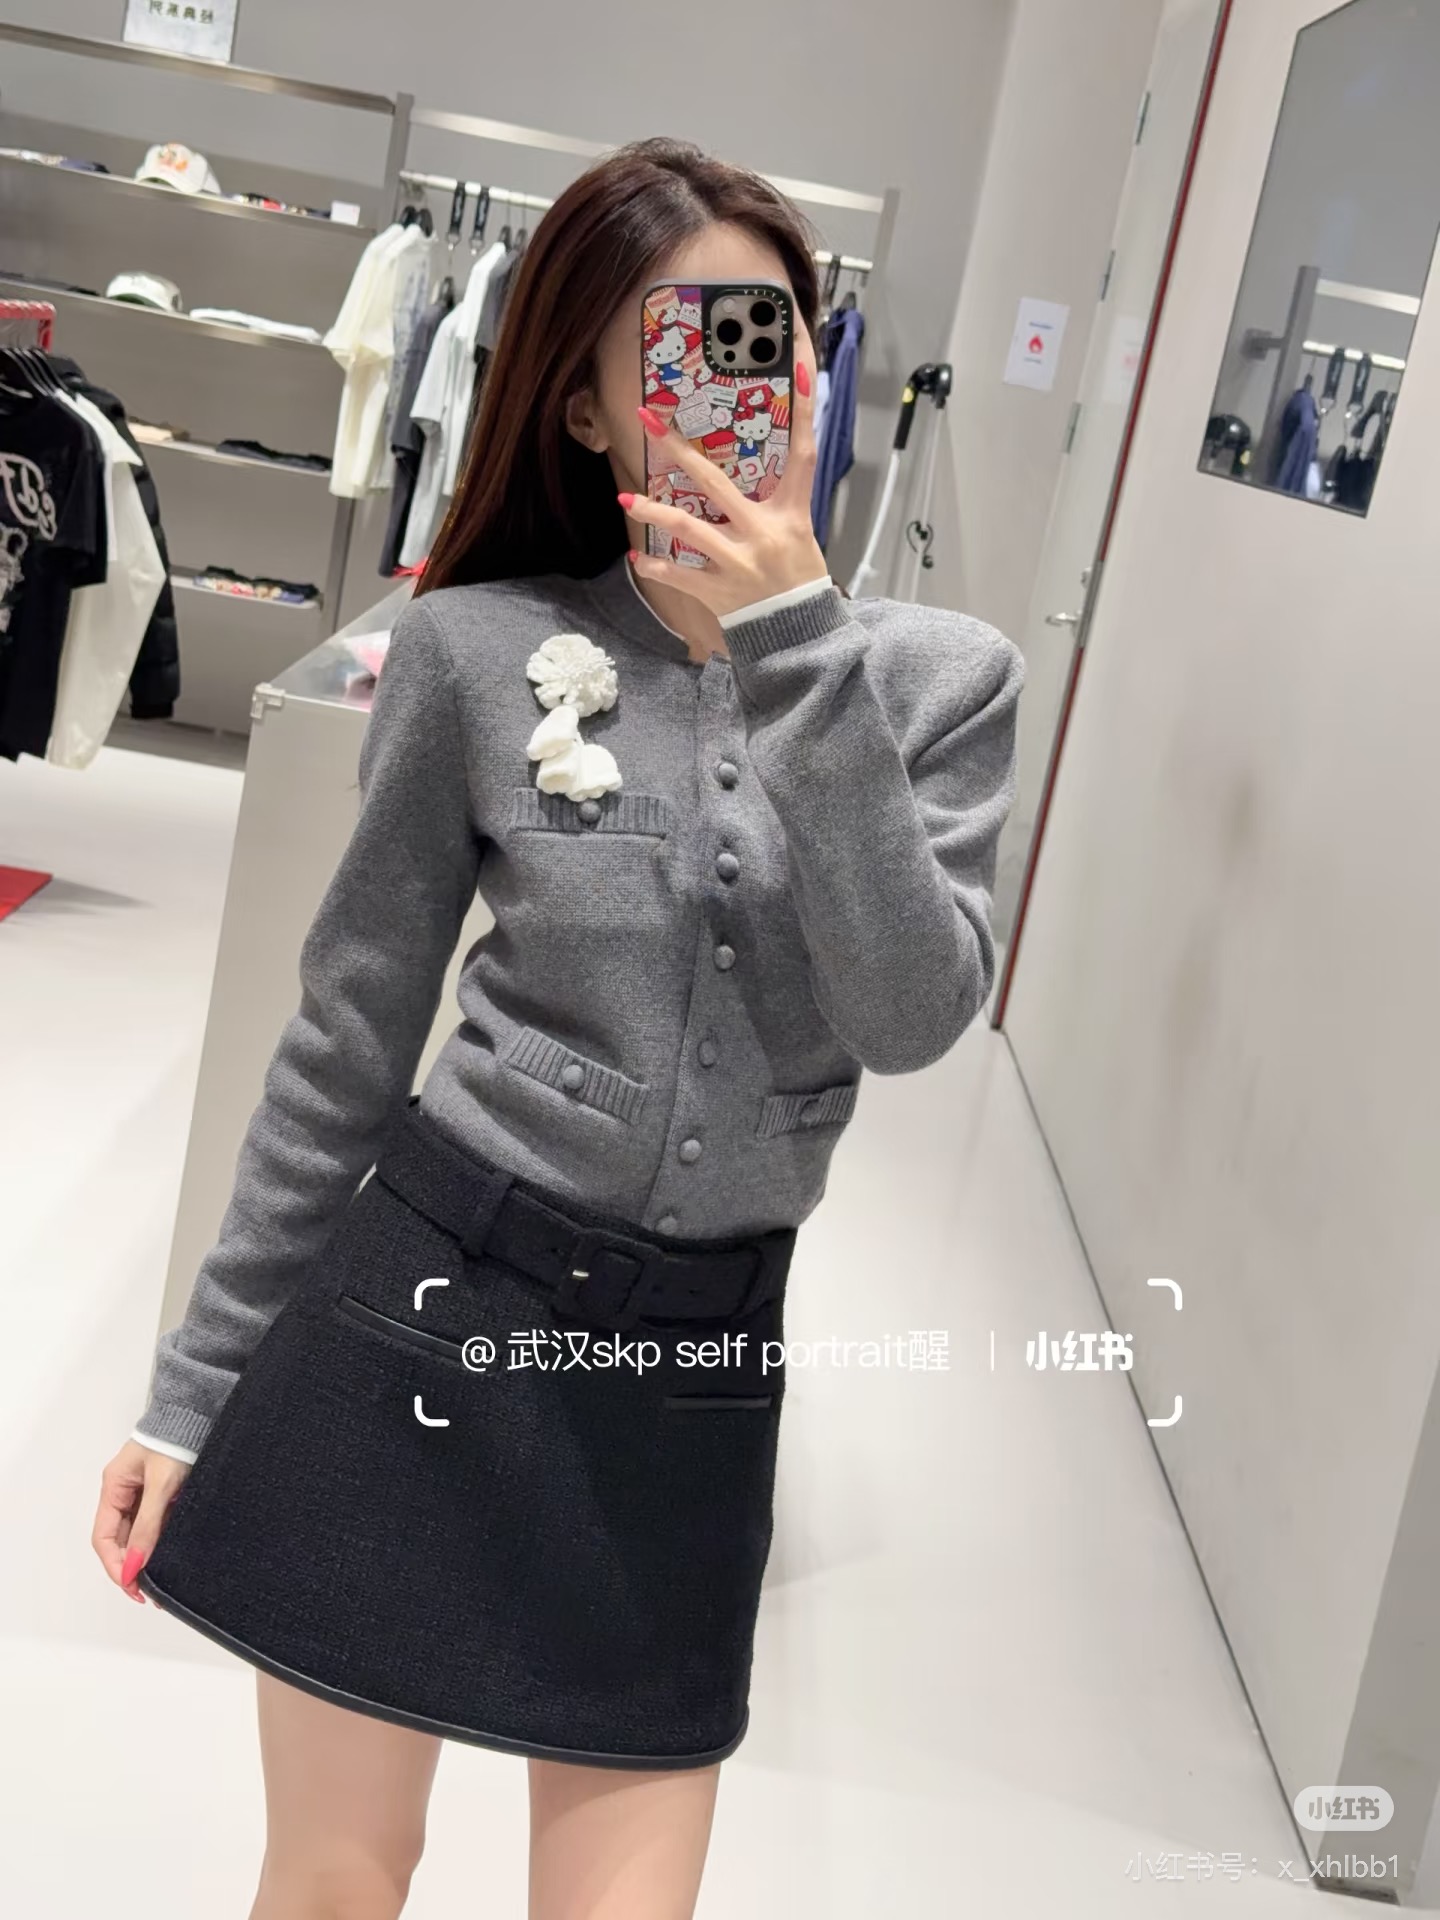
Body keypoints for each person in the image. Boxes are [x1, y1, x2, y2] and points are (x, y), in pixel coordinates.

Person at [91, 136, 1025, 1920]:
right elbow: (345, 1045)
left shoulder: (937, 680)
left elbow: (914, 1014)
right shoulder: (472, 652)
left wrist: (794, 643)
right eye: (684, 341)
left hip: (688, 1374)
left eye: (771, 334)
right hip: (427, 1309)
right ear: (587, 404)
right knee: (337, 1881)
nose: (742, 381)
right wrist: (193, 1393)